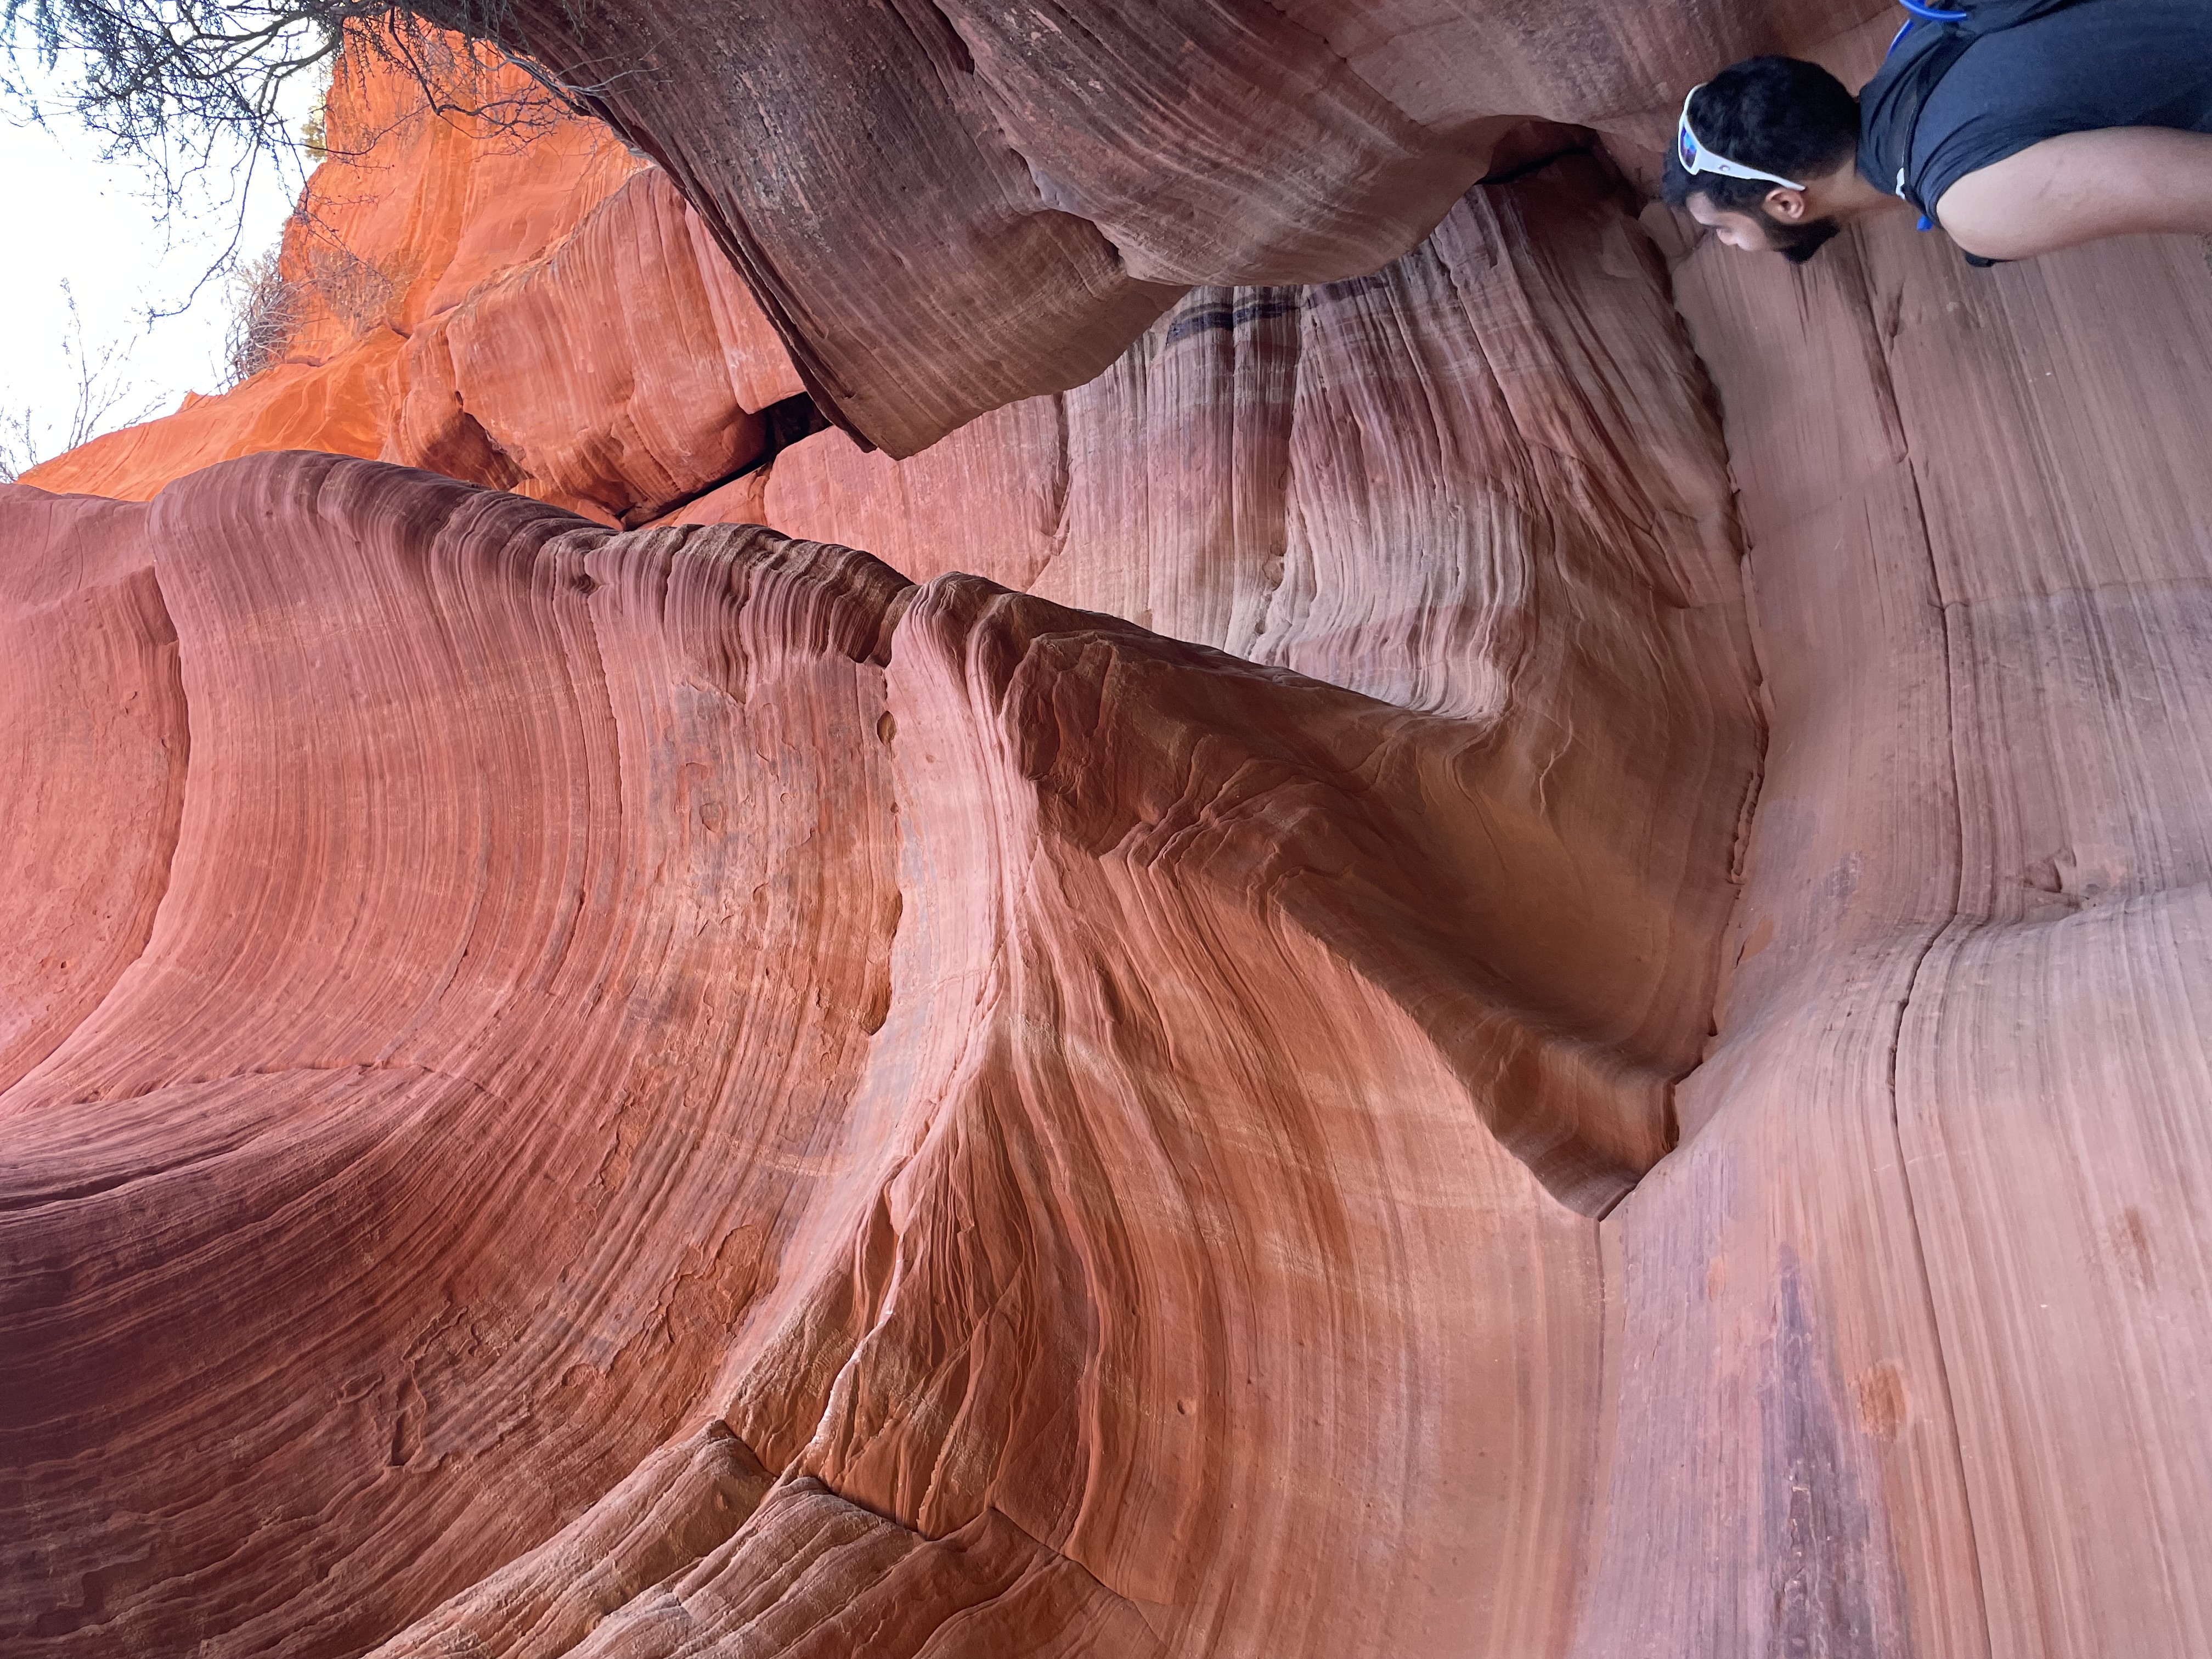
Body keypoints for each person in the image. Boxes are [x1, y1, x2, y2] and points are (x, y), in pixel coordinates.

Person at [1663, 0, 2212, 266]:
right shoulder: (1922, 38)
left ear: (1786, 203)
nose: (1731, 246)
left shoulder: (1974, 201)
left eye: (1724, 230)